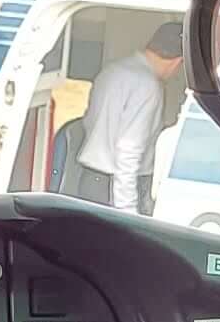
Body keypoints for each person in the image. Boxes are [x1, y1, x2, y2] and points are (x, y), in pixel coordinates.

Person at [68, 18, 189, 214]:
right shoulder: (148, 85)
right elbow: (129, 148)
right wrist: (127, 210)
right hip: (117, 187)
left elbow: (90, 120)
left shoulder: (112, 70)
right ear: (178, 61)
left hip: (90, 181)